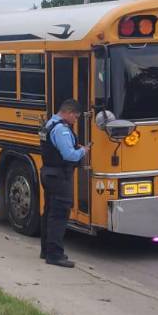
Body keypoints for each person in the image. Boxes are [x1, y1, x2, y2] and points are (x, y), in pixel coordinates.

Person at [39, 99, 89, 268]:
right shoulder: (61, 129)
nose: (76, 120)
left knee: (49, 212)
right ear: (68, 112)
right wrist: (83, 150)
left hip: (48, 173)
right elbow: (69, 155)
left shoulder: (50, 123)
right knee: (59, 215)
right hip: (60, 176)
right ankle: (55, 254)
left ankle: (46, 249)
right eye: (75, 116)